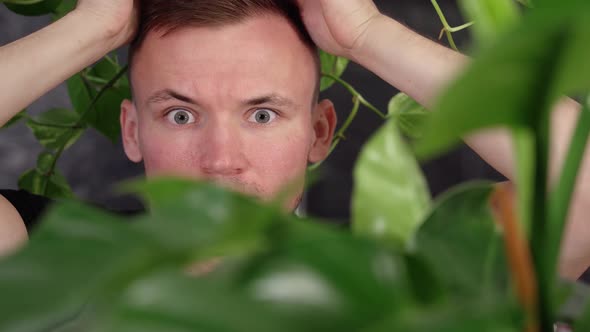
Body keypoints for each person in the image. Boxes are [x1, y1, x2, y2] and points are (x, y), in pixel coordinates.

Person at [0, 0, 587, 282]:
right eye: (181, 116)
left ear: (320, 132)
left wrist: (365, 34)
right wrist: (91, 29)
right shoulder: (43, 265)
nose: (220, 162)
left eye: (261, 115)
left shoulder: (399, 290)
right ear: (133, 131)